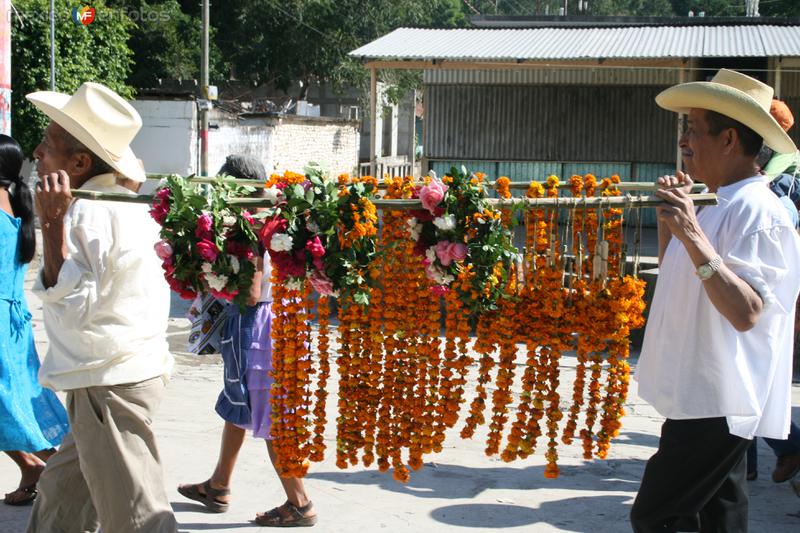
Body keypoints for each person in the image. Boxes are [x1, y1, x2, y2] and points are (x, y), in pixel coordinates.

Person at [631, 69, 800, 532]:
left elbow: (746, 312)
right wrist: (672, 224)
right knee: (720, 514)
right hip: (703, 390)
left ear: (728, 140)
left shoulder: (759, 211)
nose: (684, 141)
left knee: (657, 514)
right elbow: (681, 276)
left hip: (721, 397)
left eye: (693, 129)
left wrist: (690, 231)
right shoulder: (716, 201)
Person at [25, 82, 177, 532]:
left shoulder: (88, 213)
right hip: (116, 374)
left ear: (79, 164)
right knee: (61, 498)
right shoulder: (122, 203)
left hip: (109, 383)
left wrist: (52, 224)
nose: (37, 152)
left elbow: (73, 306)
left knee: (138, 518)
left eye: (48, 143)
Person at [177, 155, 317, 527]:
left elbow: (251, 293)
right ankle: (218, 485)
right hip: (279, 320)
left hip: (256, 325)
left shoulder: (249, 229)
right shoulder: (277, 221)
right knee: (237, 404)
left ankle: (300, 502)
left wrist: (213, 281)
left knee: (266, 413)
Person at [0, 134, 69, 506]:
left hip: (3, 319)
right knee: (15, 397)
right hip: (13, 318)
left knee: (9, 403)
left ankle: (61, 469)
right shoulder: (17, 203)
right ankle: (34, 467)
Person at [745, 98, 800, 483]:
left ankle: (787, 446)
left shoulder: (782, 168)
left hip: (769, 289)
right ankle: (745, 464)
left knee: (750, 376)